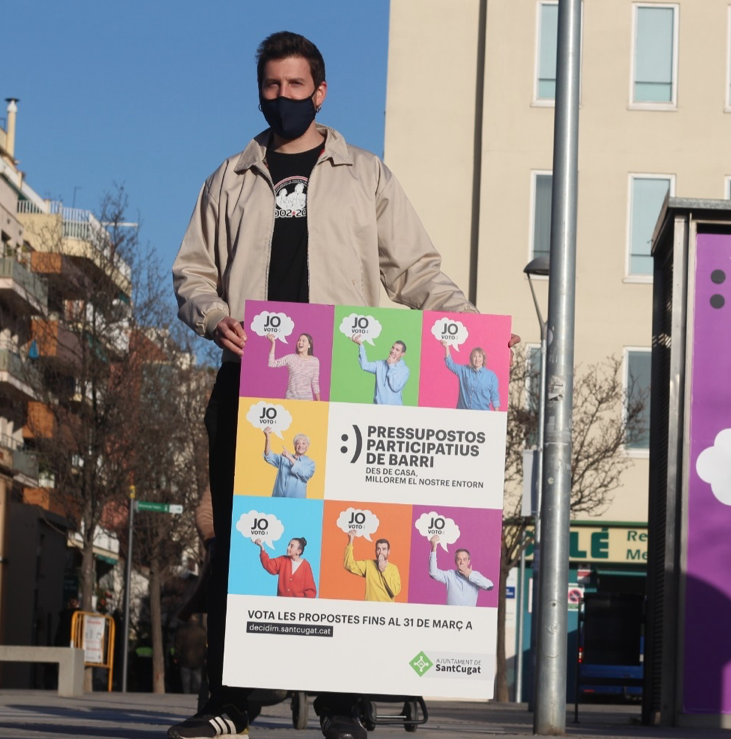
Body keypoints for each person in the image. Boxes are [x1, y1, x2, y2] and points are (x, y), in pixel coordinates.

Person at [171, 30, 513, 739]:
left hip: (343, 389)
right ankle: (230, 703)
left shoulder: (367, 176)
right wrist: (212, 316)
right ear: (259, 90)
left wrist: (468, 326)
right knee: (244, 542)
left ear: (319, 91)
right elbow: (192, 272)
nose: (283, 97)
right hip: (248, 382)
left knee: (342, 547)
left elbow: (415, 268)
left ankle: (344, 705)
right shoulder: (228, 180)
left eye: (297, 86)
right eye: (272, 86)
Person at [427, 535, 493, 606]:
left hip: (469, 615)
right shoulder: (450, 575)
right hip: (451, 615)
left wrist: (469, 574)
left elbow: (489, 586)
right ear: (455, 562)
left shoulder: (476, 575)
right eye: (459, 559)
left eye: (464, 559)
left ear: (468, 561)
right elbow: (433, 573)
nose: (462, 562)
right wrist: (433, 549)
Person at [343, 533, 401, 602]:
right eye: (378, 549)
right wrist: (351, 541)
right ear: (375, 551)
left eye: (384, 549)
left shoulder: (393, 568)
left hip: (387, 610)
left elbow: (395, 591)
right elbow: (349, 565)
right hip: (370, 609)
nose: (381, 552)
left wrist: (383, 571)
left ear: (389, 552)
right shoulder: (368, 564)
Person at [442, 341, 499, 411]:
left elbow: (494, 396)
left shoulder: (491, 376)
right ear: (471, 358)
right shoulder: (464, 370)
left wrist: (497, 416)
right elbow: (450, 364)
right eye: (475, 356)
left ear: (483, 358)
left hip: (482, 415)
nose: (477, 359)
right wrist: (447, 347)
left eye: (480, 356)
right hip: (462, 414)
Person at [353, 334, 408, 405]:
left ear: (402, 354)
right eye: (392, 348)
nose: (393, 351)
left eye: (397, 350)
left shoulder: (405, 370)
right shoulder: (380, 364)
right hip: (377, 408)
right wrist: (361, 345)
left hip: (394, 410)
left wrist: (391, 366)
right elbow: (365, 365)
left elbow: (395, 386)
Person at [262, 427, 315, 498]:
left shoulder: (310, 463)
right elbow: (268, 456)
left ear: (307, 447)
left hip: (296, 502)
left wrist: (290, 457)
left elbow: (304, 474)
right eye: (298, 443)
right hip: (278, 499)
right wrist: (267, 437)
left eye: (303, 443)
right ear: (294, 445)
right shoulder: (284, 458)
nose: (300, 445)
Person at [268, 332, 321, 400]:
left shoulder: (315, 361)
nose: (300, 342)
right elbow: (271, 363)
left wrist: (319, 402)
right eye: (299, 340)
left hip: (307, 402)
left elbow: (315, 382)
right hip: (291, 400)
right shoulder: (291, 358)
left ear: (309, 345)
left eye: (303, 341)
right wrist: (273, 343)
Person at [175, 614, 209, 695]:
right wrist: (205, 657)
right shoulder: (202, 631)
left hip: (185, 659)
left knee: (186, 680)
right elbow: (206, 646)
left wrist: (176, 656)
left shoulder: (183, 630)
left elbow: (178, 645)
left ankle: (186, 694)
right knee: (197, 679)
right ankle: (196, 694)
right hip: (198, 659)